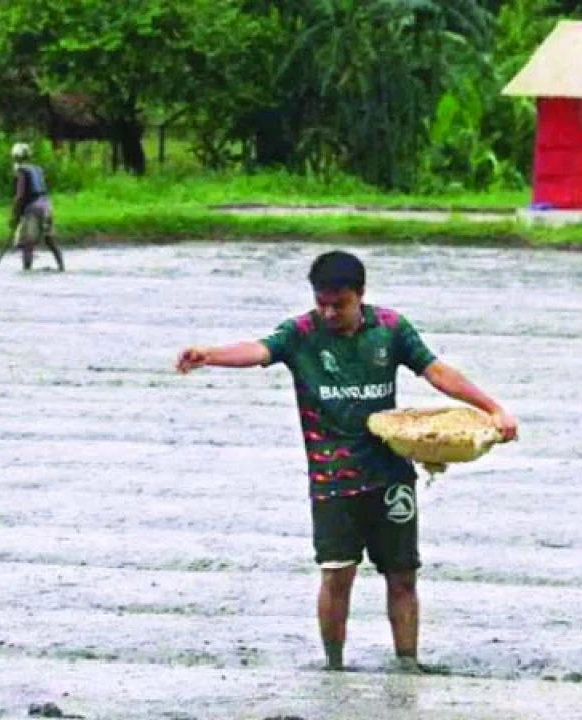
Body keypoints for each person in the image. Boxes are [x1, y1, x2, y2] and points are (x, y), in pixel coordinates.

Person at [175, 250, 517, 673]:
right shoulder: (301, 332)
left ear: (361, 296)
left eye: (340, 304)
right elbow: (258, 350)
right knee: (337, 575)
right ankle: (333, 669)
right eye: (322, 303)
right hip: (332, 480)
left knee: (403, 575)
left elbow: (437, 372)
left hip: (390, 476)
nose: (329, 312)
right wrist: (209, 355)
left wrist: (493, 408)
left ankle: (407, 666)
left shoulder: (390, 329)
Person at [9, 142, 65, 272]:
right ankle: (61, 266)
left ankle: (27, 269)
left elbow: (20, 195)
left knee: (27, 243)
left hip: (32, 208)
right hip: (46, 206)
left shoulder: (21, 171)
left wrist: (15, 214)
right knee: (49, 238)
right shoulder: (37, 169)